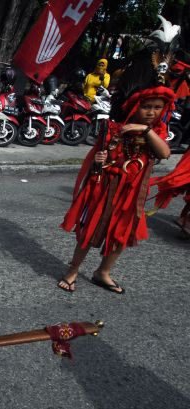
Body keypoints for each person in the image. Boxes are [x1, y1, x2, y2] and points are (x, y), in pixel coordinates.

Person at [58, 85, 174, 293]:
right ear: (134, 106)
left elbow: (164, 153)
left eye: (157, 107)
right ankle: (73, 270)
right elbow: (100, 159)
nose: (151, 112)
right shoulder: (114, 128)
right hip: (106, 188)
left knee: (122, 233)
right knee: (90, 229)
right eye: (146, 106)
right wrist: (98, 160)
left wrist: (144, 130)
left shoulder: (157, 132)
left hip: (132, 193)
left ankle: (103, 272)